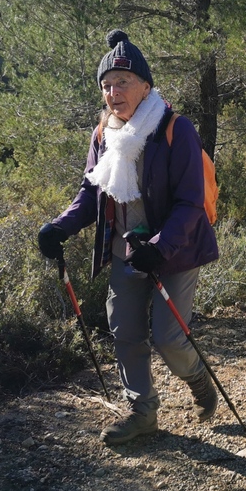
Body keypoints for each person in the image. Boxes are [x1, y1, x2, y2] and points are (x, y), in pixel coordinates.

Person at [37, 29, 220, 446]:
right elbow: (90, 193)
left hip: (174, 251)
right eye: (106, 85)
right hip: (126, 251)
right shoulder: (104, 134)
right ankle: (142, 413)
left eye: (123, 82)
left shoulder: (175, 130)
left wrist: (158, 250)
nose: (113, 93)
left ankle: (197, 378)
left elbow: (191, 204)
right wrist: (59, 226)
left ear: (146, 86)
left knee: (170, 339)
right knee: (125, 334)